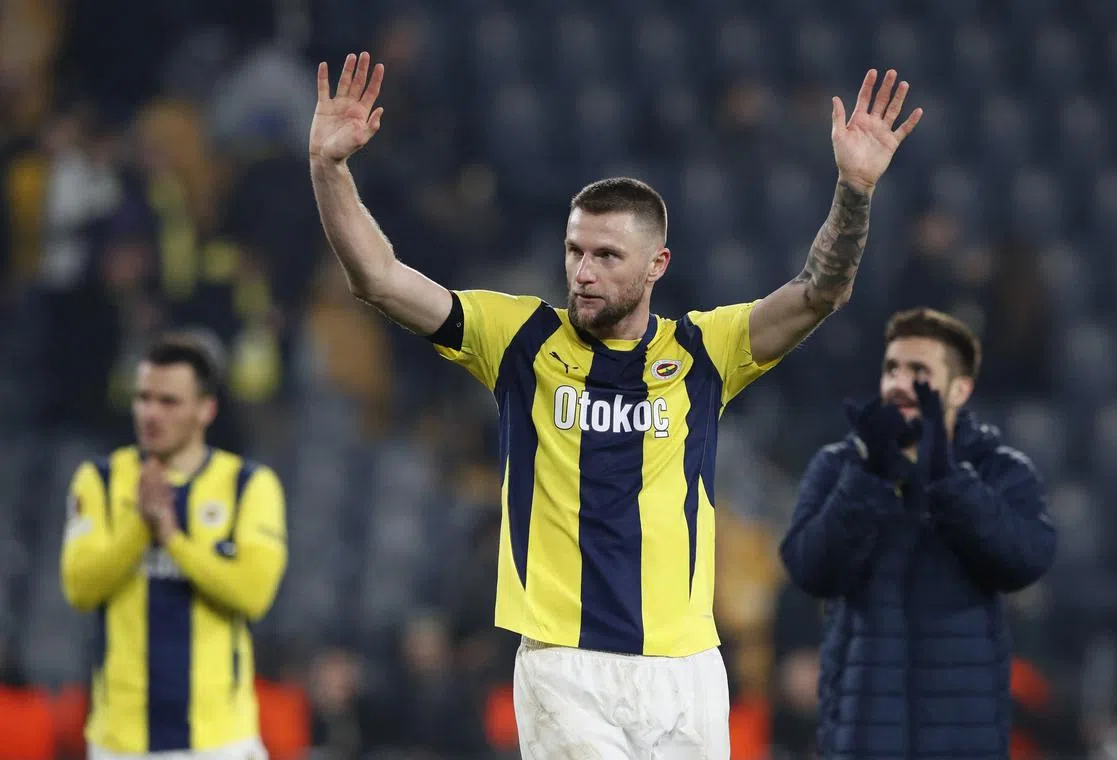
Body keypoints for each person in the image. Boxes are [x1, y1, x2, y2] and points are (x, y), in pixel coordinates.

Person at [309, 51, 921, 758]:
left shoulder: (704, 351)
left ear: (657, 265)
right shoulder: (519, 340)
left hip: (686, 667)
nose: (583, 272)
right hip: (565, 665)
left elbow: (820, 291)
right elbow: (380, 279)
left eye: (606, 256)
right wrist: (329, 168)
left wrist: (854, 191)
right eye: (575, 251)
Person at [779, 307, 1057, 760]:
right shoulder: (839, 467)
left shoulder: (998, 470)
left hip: (963, 741)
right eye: (892, 369)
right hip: (861, 738)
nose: (899, 383)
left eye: (919, 372)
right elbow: (809, 569)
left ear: (960, 389)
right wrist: (867, 478)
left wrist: (947, 478)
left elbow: (1025, 559)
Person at [60, 333, 288, 760]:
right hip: (121, 743)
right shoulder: (100, 480)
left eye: (169, 402)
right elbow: (80, 588)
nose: (151, 413)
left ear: (205, 409)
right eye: (143, 398)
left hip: (219, 742)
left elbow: (253, 595)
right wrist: (139, 527)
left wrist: (172, 540)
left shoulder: (248, 486)